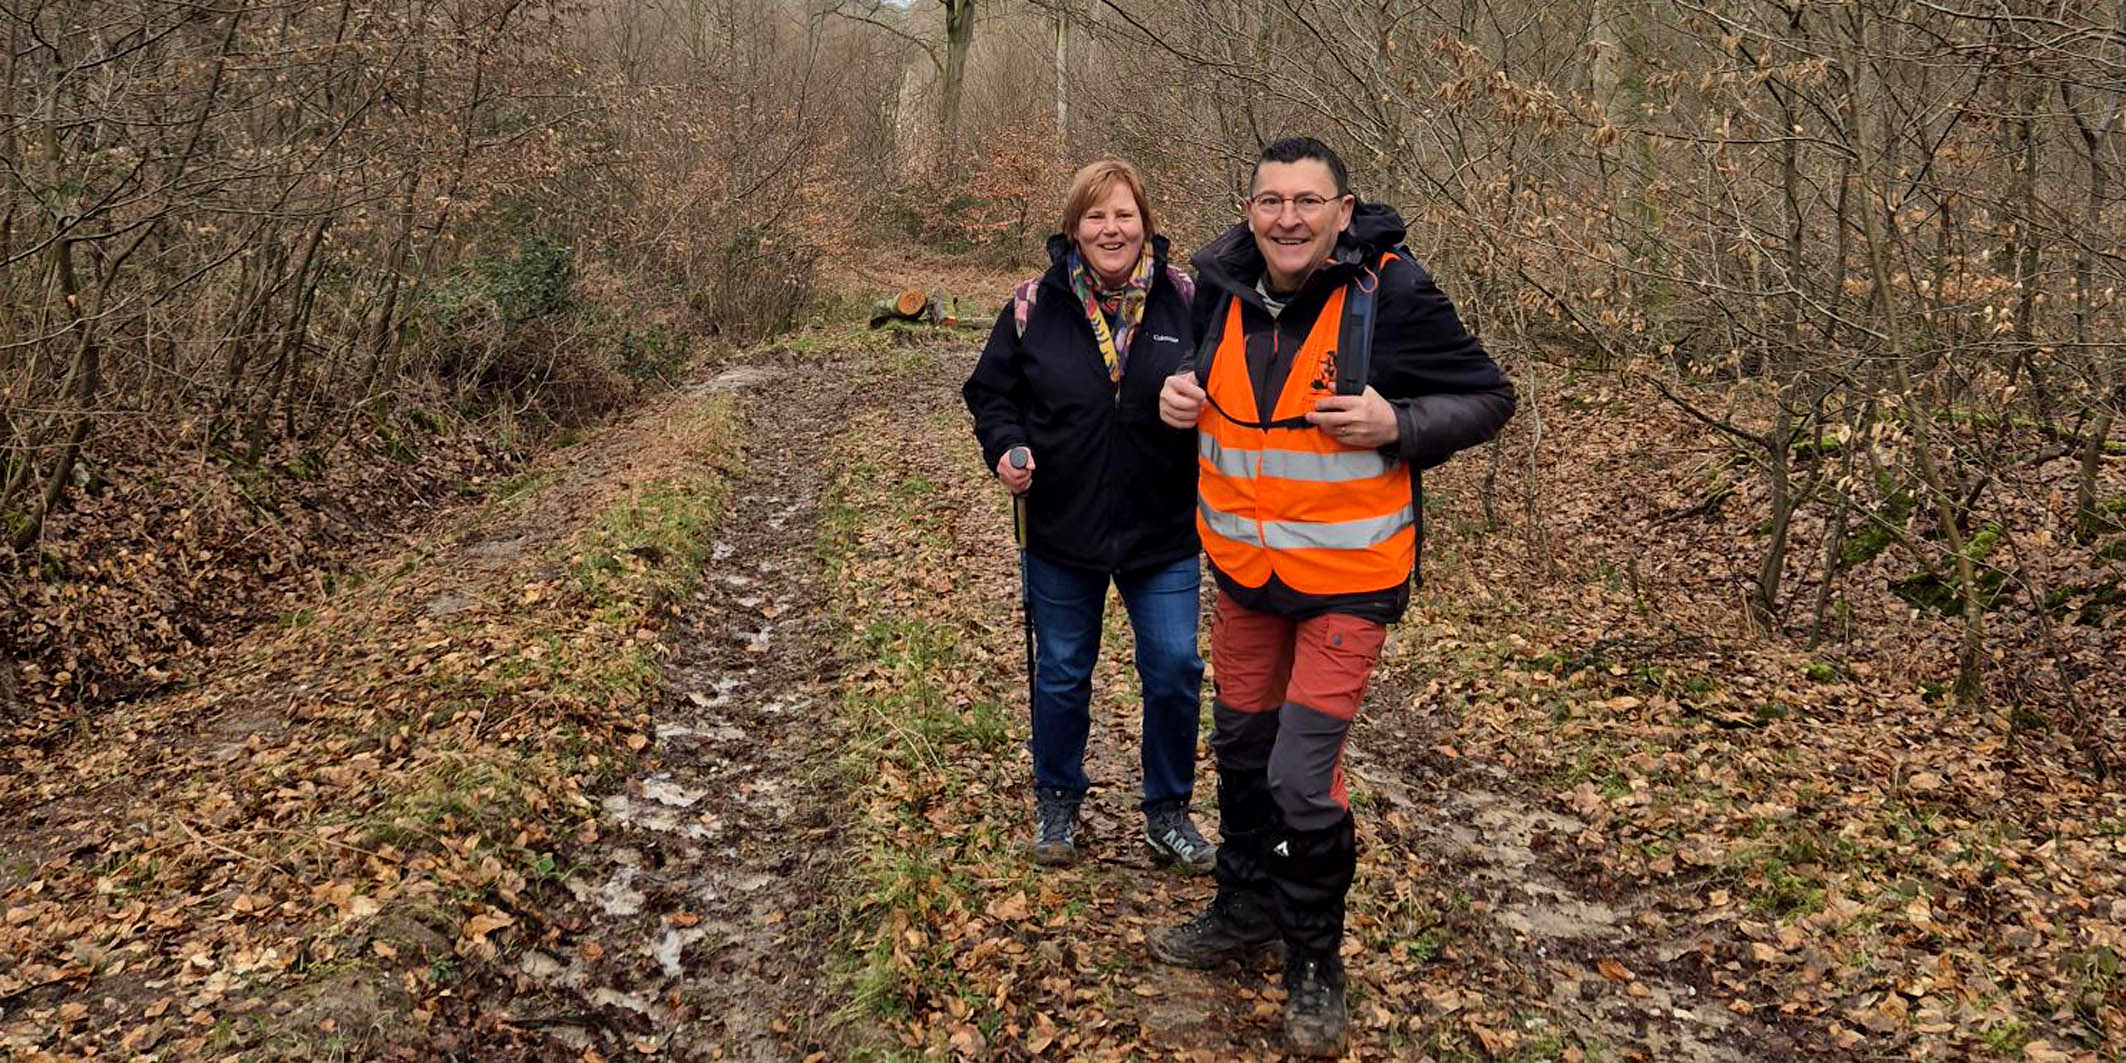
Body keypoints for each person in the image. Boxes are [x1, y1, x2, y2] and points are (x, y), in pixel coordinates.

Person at [1151, 137, 1515, 1056]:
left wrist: (1401, 421)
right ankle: (1244, 906)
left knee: (1301, 776)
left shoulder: (1391, 294)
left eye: (1307, 201)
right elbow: (1204, 391)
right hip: (1246, 576)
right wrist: (1175, 401)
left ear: (1342, 212)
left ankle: (1315, 957)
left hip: (1348, 583)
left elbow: (1488, 396)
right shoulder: (1218, 289)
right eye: (1271, 201)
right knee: (1242, 752)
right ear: (1249, 210)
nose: (1288, 219)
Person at [962, 159, 1216, 874]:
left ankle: (1168, 813)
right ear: (1073, 228)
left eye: (1124, 214)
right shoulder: (1031, 305)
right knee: (1063, 672)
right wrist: (1006, 448)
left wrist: (1205, 405)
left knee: (1174, 669)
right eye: (1096, 216)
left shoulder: (1189, 301)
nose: (1112, 229)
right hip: (1060, 528)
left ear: (1146, 224)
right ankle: (1057, 802)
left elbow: (1231, 391)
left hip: (1163, 529)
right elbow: (990, 395)